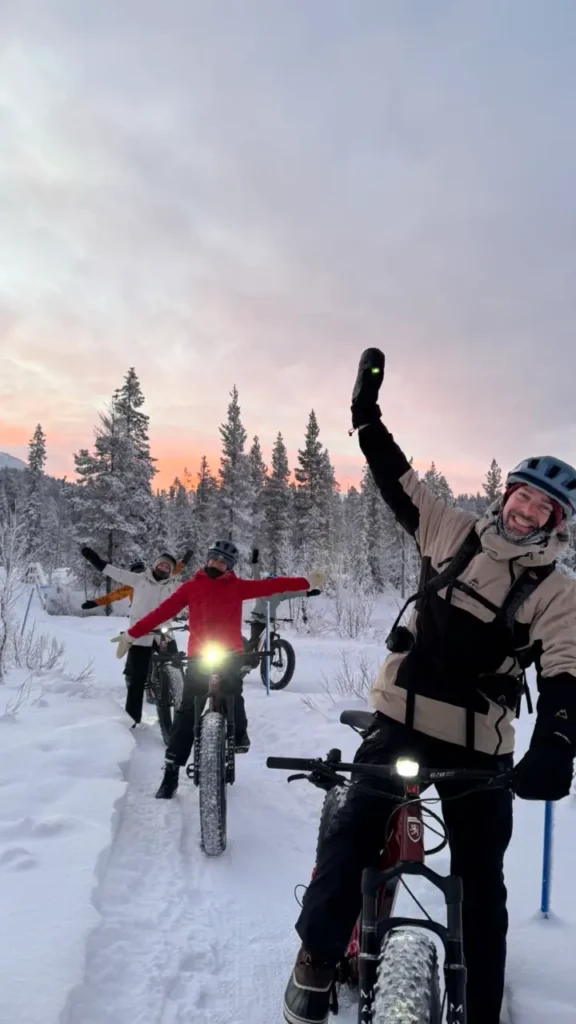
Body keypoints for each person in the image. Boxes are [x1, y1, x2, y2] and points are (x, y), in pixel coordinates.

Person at [282, 349, 576, 1024]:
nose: (526, 512)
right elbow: (399, 480)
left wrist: (557, 743)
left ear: (556, 525)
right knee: (353, 830)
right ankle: (317, 959)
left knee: (480, 884)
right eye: (522, 496)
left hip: (480, 747)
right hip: (402, 719)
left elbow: (565, 671)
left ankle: (479, 1008)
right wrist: (365, 417)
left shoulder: (559, 593)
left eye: (543, 509)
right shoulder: (455, 532)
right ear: (507, 496)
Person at [110, 539, 324, 798]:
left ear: (229, 567)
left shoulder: (238, 587)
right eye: (213, 559)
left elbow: (273, 586)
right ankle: (171, 772)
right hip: (200, 657)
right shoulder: (191, 587)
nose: (216, 564)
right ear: (207, 559)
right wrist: (131, 635)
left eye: (222, 562)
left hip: (230, 656)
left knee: (234, 694)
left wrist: (306, 583)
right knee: (187, 712)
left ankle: (239, 734)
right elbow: (161, 612)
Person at [80, 546, 192, 726]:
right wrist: (93, 558)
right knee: (137, 679)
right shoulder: (139, 579)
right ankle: (132, 719)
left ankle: (179, 707)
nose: (164, 568)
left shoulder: (173, 584)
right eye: (161, 565)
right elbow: (112, 571)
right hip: (140, 632)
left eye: (167, 568)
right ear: (155, 565)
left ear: (170, 571)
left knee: (177, 669)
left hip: (164, 631)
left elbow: (195, 592)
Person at [245, 548, 322, 655]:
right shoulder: (260, 588)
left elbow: (294, 594)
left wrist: (309, 593)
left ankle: (267, 661)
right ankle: (244, 660)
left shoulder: (280, 594)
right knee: (254, 642)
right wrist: (254, 561)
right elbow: (256, 574)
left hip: (270, 622)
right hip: (258, 620)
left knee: (270, 644)